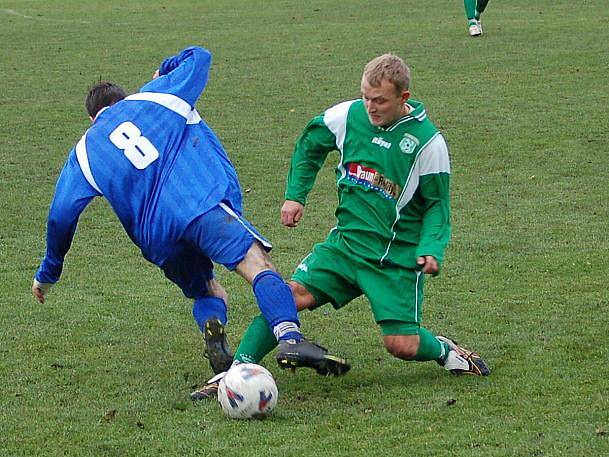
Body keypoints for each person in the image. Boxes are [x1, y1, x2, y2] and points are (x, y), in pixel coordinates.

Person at [31, 46, 350, 386]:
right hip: (198, 203)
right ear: (122, 98)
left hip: (156, 238)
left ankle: (214, 333)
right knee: (257, 266)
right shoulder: (154, 97)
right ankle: (289, 337)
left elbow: (60, 217)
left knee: (209, 293)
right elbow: (201, 56)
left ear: (92, 117)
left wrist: (48, 273)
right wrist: (164, 70)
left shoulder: (82, 152)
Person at [191, 53, 489, 399]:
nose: (370, 107)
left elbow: (437, 207)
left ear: (403, 98)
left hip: (392, 260)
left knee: (401, 345)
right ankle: (232, 375)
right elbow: (310, 145)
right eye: (366, 96)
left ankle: (446, 351)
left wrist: (430, 249)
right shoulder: (347, 116)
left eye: (380, 101)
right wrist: (295, 195)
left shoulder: (427, 143)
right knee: (287, 298)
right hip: (344, 247)